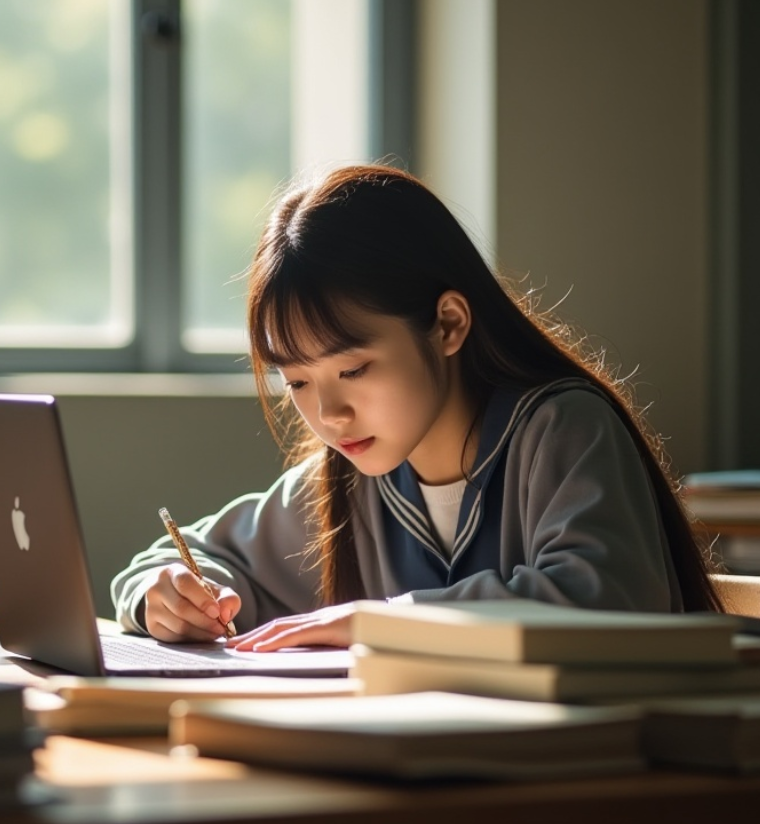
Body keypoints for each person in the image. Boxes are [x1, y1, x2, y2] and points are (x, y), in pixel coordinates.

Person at [111, 163, 723, 652]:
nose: (330, 414)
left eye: (354, 369)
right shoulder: (347, 480)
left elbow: (607, 600)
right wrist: (165, 596)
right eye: (296, 381)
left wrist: (385, 621)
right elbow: (179, 558)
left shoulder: (560, 428)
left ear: (448, 323)